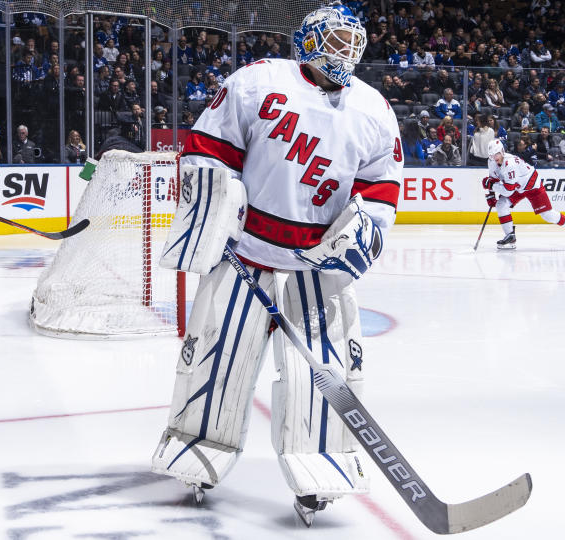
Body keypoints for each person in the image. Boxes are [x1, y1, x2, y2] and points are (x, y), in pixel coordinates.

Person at [151, 4, 400, 528]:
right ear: (308, 40)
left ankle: (318, 464)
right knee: (217, 356)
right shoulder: (257, 81)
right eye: (334, 39)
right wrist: (215, 214)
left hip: (317, 264)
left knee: (326, 371)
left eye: (353, 42)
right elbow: (207, 151)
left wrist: (361, 234)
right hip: (247, 253)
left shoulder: (374, 108)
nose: (346, 52)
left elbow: (380, 189)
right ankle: (198, 450)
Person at [482, 139, 565, 250]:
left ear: (502, 151)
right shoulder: (491, 162)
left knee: (547, 215)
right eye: (491, 155)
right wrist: (490, 195)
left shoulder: (510, 164)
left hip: (532, 185)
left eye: (497, 154)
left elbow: (507, 190)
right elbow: (492, 179)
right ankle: (510, 236)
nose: (495, 157)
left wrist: (491, 186)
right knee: (501, 205)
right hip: (517, 187)